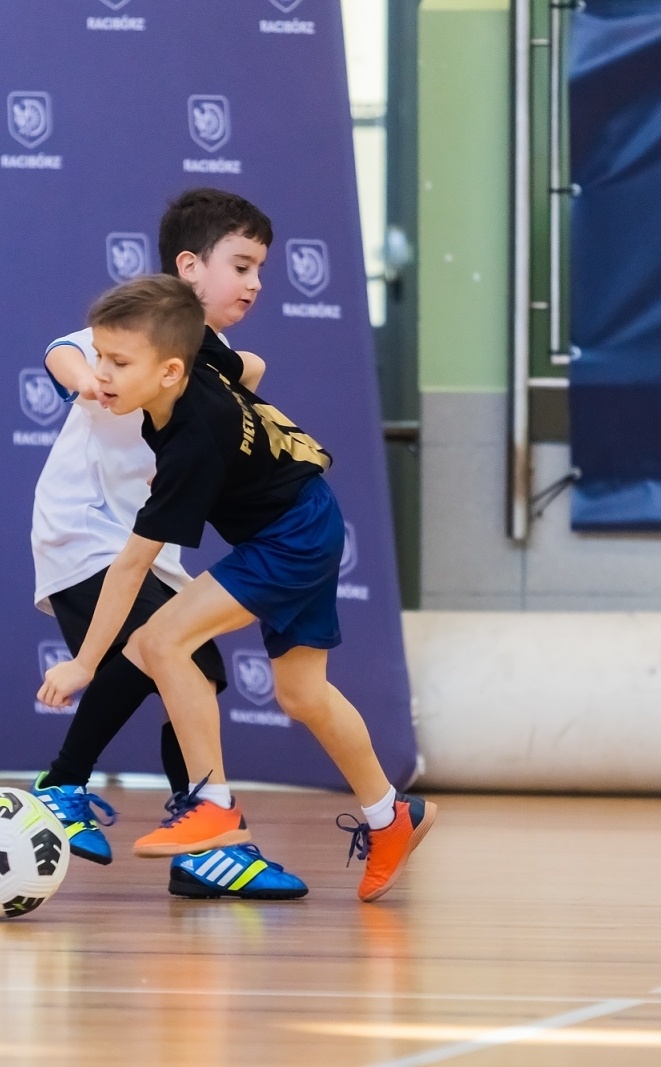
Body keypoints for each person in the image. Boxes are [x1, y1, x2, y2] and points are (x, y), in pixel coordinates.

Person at [39, 275, 434, 903]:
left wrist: (84, 662)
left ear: (170, 371)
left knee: (162, 641)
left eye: (118, 362)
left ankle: (211, 802)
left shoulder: (192, 440)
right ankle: (391, 814)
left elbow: (130, 565)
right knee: (304, 694)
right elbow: (246, 362)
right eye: (100, 358)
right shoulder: (200, 360)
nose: (103, 374)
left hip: (290, 537)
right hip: (311, 513)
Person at [28, 189, 305, 900]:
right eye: (240, 265)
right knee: (150, 653)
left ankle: (200, 844)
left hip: (148, 549)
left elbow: (253, 371)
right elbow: (62, 349)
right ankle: (62, 785)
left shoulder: (202, 361)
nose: (254, 283)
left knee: (198, 675)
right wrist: (88, 377)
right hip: (87, 536)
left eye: (260, 270)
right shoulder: (130, 336)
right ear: (189, 267)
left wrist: (240, 369)